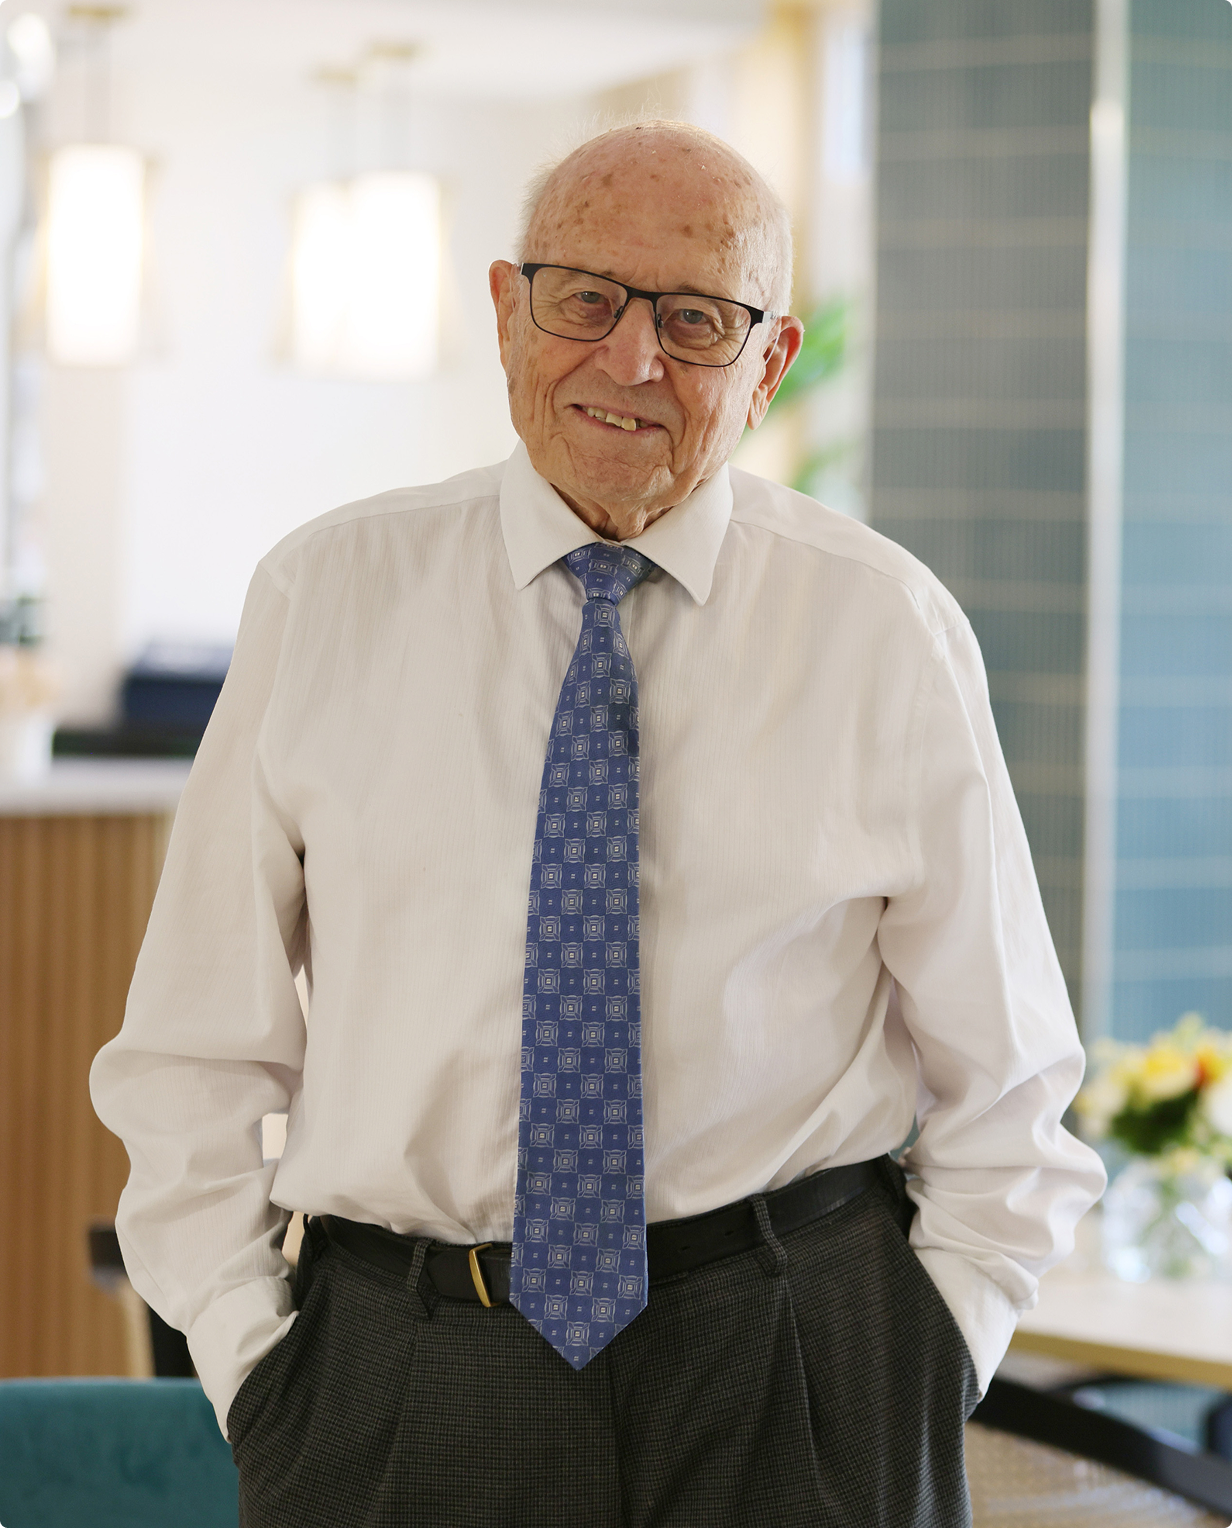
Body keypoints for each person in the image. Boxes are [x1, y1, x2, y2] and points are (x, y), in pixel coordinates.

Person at [91, 120, 1105, 1528]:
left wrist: (919, 1357)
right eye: (587, 301)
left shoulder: (885, 629)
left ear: (770, 362)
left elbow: (1010, 1078)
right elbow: (195, 1056)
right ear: (508, 311)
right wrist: (266, 1372)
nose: (632, 361)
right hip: (400, 1372)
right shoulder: (325, 598)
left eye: (696, 321)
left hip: (797, 1369)